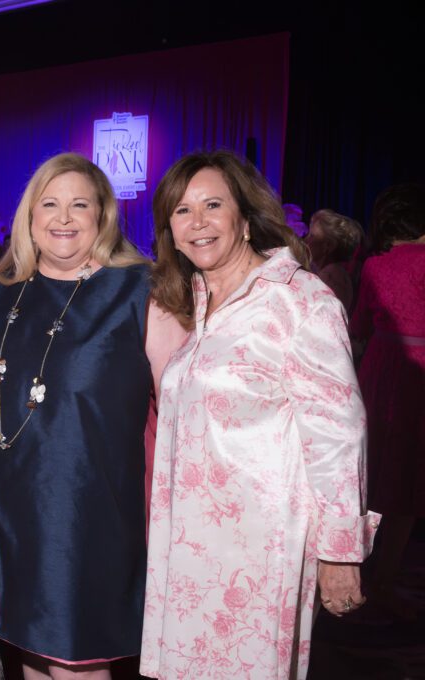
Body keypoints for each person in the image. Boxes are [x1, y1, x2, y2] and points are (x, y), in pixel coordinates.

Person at [141, 150, 376, 679]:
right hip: (190, 545)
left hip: (261, 546)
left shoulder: (298, 300)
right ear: (169, 231)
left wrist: (341, 553)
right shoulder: (198, 300)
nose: (197, 221)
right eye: (181, 211)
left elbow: (338, 434)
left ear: (244, 218)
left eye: (212, 205)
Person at [0, 153, 185, 679]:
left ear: (103, 216)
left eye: (79, 205)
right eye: (50, 204)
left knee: (76, 660)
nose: (63, 218)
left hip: (88, 515)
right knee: (31, 657)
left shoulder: (140, 292)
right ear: (30, 216)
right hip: (4, 511)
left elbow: (187, 414)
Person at [350, 182, 425, 621]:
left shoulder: (375, 264)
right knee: (408, 480)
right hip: (417, 373)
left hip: (380, 370)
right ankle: (382, 581)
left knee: (372, 472)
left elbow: (359, 323)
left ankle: (352, 568)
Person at [305, 208, 362, 312]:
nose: (306, 240)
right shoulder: (331, 272)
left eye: (312, 236)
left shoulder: (332, 276)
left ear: (329, 246)